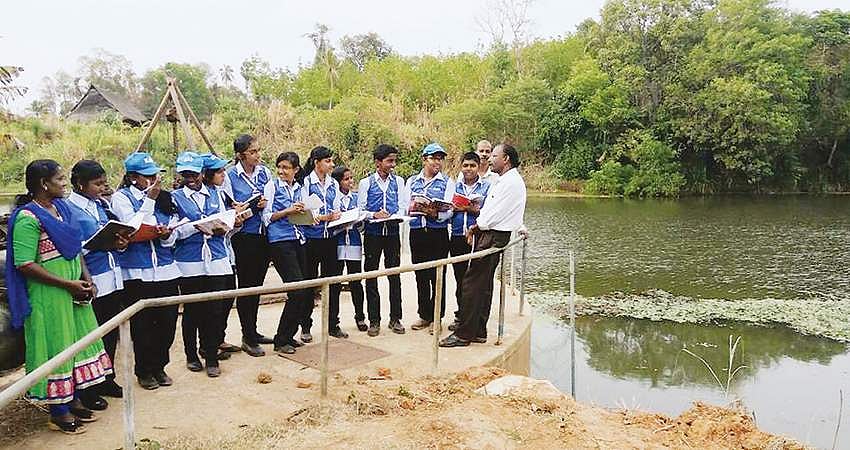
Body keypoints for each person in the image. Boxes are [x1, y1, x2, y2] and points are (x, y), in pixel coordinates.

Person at [6, 160, 113, 434]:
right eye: (60, 179)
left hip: (74, 287)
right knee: (57, 344)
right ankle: (58, 410)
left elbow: (75, 247)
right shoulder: (27, 218)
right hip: (49, 293)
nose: (65, 184)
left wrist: (86, 278)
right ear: (44, 184)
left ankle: (73, 398)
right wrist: (67, 284)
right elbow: (25, 264)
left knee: (77, 341)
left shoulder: (62, 210)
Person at [440, 143, 526, 347]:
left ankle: (463, 334)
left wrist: (475, 227)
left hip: (492, 236)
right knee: (483, 285)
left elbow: (495, 214)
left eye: (494, 155)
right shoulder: (505, 180)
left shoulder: (510, 182)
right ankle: (479, 331)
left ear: (505, 159)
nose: (489, 159)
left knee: (471, 284)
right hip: (490, 234)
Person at [112, 152, 181, 389]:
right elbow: (133, 227)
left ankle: (160, 365)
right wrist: (149, 200)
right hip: (137, 272)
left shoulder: (165, 198)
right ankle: (144, 370)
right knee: (142, 326)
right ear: (133, 178)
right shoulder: (121, 199)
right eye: (148, 176)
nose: (154, 181)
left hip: (166, 269)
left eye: (155, 176)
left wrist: (167, 234)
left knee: (167, 323)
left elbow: (173, 230)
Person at [67, 160, 128, 399]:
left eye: (104, 183)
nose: (102, 188)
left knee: (111, 331)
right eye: (97, 184)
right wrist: (98, 244)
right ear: (80, 184)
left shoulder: (99, 204)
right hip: (92, 277)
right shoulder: (69, 209)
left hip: (112, 273)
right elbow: (73, 247)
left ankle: (108, 377)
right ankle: (89, 387)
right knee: (93, 334)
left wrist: (119, 243)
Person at [171, 151, 234, 378]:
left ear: (202, 173)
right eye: (186, 173)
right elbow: (173, 232)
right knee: (192, 310)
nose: (191, 178)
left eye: (194, 173)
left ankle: (211, 355)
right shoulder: (175, 198)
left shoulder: (216, 194)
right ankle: (191, 354)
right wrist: (195, 226)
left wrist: (229, 224)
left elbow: (226, 222)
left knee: (216, 310)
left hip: (216, 258)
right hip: (190, 261)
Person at [221, 134, 273, 357]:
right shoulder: (230, 176)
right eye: (253, 152)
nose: (257, 156)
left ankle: (253, 330)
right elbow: (230, 207)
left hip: (264, 233)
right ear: (240, 155)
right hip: (244, 235)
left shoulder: (265, 172)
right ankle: (247, 336)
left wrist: (264, 203)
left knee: (257, 286)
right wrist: (245, 206)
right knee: (246, 286)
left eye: (258, 151)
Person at [262, 151, 314, 355]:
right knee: (297, 289)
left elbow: (302, 217)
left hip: (298, 238)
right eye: (280, 167)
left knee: (303, 289)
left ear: (296, 170)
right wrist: (288, 211)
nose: (282, 171)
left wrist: (308, 215)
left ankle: (288, 335)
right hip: (280, 241)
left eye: (286, 168)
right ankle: (281, 338)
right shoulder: (272, 186)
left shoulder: (300, 188)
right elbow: (267, 218)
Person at [357, 144, 408, 336]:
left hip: (393, 233)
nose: (393, 164)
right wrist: (374, 214)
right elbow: (361, 210)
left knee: (394, 275)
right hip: (373, 235)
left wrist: (395, 215)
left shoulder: (399, 182)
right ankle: (374, 320)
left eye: (394, 160)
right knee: (371, 275)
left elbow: (403, 207)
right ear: (378, 163)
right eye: (389, 161)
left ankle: (395, 318)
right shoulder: (366, 183)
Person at [404, 143, 455, 332]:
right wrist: (415, 208)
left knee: (438, 276)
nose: (437, 162)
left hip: (438, 234)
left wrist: (435, 214)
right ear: (424, 159)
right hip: (417, 232)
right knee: (421, 275)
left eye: (440, 159)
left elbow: (450, 210)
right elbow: (403, 206)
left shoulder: (447, 182)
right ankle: (424, 315)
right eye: (434, 158)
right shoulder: (412, 181)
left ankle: (437, 317)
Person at [201, 153, 244, 356]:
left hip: (226, 253)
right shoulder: (205, 195)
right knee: (212, 305)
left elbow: (226, 227)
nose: (223, 175)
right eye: (218, 172)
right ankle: (208, 345)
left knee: (228, 297)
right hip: (209, 257)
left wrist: (235, 221)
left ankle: (219, 338)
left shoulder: (219, 194)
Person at [300, 146, 345, 340]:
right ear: (316, 162)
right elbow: (305, 214)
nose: (331, 164)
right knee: (309, 283)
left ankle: (332, 324)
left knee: (333, 283)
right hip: (311, 239)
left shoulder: (333, 184)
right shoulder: (305, 182)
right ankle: (305, 326)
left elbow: (336, 209)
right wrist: (325, 217)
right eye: (327, 161)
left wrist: (338, 217)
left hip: (330, 238)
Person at [447, 152, 491, 332]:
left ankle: (473, 320)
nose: (468, 169)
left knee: (474, 281)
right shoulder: (454, 187)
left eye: (472, 166)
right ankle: (461, 316)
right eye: (465, 166)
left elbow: (489, 212)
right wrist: (452, 208)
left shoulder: (486, 187)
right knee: (460, 279)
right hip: (457, 236)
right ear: (461, 167)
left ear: (478, 166)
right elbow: (446, 211)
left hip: (476, 238)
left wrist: (470, 208)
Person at [330, 165, 366, 332]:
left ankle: (360, 317)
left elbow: (362, 217)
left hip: (353, 241)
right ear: (338, 182)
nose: (351, 182)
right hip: (336, 242)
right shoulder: (333, 198)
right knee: (335, 283)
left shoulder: (356, 198)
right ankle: (333, 321)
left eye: (351, 178)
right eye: (346, 179)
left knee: (356, 281)